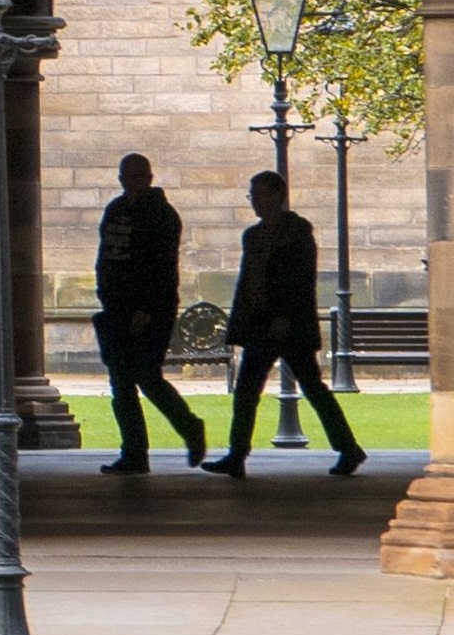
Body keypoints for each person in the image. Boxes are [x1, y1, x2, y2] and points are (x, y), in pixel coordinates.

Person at [207, 169, 368, 478]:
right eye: (251, 196)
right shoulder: (254, 236)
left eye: (259, 195)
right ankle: (238, 454)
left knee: (306, 389)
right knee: (252, 392)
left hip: (286, 326)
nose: (254, 201)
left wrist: (284, 316)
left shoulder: (296, 231)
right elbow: (248, 282)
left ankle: (347, 448)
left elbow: (299, 280)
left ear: (277, 195)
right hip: (261, 325)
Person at [90, 154, 206, 472]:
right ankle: (134, 453)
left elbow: (161, 267)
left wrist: (147, 308)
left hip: (150, 311)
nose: (133, 181)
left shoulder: (163, 215)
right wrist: (105, 295)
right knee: (121, 384)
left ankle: (189, 427)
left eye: (140, 175)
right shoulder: (115, 210)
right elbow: (106, 258)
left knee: (147, 377)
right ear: (121, 178)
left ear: (150, 177)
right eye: (128, 175)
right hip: (116, 309)